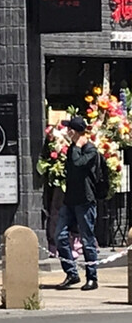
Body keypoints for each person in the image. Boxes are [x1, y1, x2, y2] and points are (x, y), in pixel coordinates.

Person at [55, 116, 99, 291]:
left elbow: (78, 163)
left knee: (87, 240)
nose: (67, 131)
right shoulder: (73, 148)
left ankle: (92, 278)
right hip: (70, 200)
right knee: (60, 236)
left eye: (69, 129)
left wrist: (78, 147)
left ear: (75, 131)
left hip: (85, 201)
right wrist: (75, 147)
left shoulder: (90, 150)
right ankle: (72, 273)